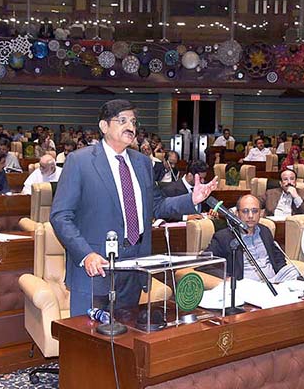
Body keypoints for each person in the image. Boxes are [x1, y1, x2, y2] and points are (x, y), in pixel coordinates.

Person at [50, 99, 217, 317]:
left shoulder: (143, 163)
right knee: (88, 343)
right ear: (104, 126)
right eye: (122, 120)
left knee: (127, 339)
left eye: (134, 122)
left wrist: (191, 199)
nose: (131, 127)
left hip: (134, 268)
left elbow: (156, 206)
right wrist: (86, 254)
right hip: (96, 267)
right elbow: (60, 216)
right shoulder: (79, 161)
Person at [205, 194, 286, 282]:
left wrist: (284, 275)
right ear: (237, 213)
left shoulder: (265, 231)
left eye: (255, 211)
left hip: (275, 283)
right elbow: (205, 263)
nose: (250, 215)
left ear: (260, 213)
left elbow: (278, 258)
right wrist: (228, 279)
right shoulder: (224, 237)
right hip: (247, 287)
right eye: (245, 211)